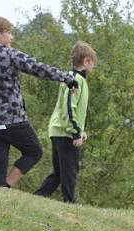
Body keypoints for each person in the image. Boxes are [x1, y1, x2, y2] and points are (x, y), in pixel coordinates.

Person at [0, 15, 77, 188]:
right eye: (9, 33)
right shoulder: (9, 54)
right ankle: (6, 186)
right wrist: (66, 77)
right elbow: (38, 69)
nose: (11, 37)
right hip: (12, 119)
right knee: (34, 151)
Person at [34, 42, 97, 203]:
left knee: (59, 173)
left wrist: (80, 130)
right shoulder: (74, 80)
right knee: (70, 170)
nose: (93, 67)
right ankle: (70, 202)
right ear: (86, 61)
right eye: (93, 63)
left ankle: (37, 197)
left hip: (59, 130)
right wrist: (75, 132)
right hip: (65, 132)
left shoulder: (74, 79)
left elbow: (73, 109)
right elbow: (69, 107)